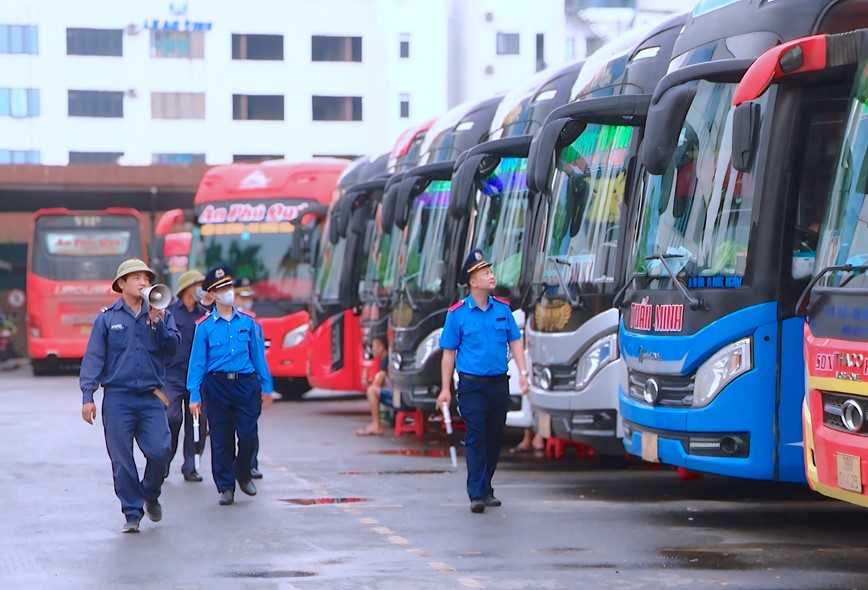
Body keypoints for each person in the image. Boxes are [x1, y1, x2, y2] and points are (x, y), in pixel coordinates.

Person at [79, 259, 181, 533]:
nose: (143, 282)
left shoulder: (163, 314)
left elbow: (173, 348)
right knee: (122, 459)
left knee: (161, 451)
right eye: (135, 278)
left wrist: (157, 322)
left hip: (150, 397)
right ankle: (132, 512)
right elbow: (94, 358)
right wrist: (88, 395)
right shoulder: (107, 318)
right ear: (121, 284)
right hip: (118, 399)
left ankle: (150, 492)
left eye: (146, 278)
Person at [437, 248, 529, 514]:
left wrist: (523, 374)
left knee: (493, 437)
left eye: (491, 271)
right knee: (476, 436)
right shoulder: (457, 314)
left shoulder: (502, 310)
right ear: (472, 281)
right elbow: (448, 354)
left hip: (499, 384)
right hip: (472, 386)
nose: (491, 276)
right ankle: (476, 493)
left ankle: (486, 487)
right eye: (484, 273)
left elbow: (515, 341)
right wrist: (445, 388)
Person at [187, 266, 274, 506]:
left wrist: (267, 387)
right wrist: (194, 394)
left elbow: (258, 357)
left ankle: (243, 472)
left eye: (228, 287)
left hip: (246, 384)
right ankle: (225, 486)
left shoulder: (248, 322)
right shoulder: (204, 327)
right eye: (221, 289)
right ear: (212, 295)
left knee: (248, 435)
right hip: (217, 385)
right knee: (221, 438)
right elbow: (197, 363)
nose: (227, 292)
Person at [164, 270, 209, 482]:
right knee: (172, 418)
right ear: (187, 288)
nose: (201, 288)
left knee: (197, 422)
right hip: (172, 375)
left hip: (197, 376)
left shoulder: (204, 314)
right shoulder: (170, 312)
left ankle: (190, 466)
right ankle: (164, 460)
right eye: (197, 284)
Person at [234, 275, 264, 479]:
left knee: (250, 427)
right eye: (241, 296)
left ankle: (251, 464)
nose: (245, 300)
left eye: (248, 295)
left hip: (249, 380)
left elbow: (259, 353)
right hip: (225, 381)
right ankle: (230, 471)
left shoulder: (252, 320)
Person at [357, 336, 391, 436]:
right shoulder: (384, 360)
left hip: (396, 395)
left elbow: (377, 384)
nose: (372, 349)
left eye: (374, 346)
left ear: (382, 347)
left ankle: (376, 425)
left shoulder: (386, 360)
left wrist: (367, 383)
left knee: (372, 391)